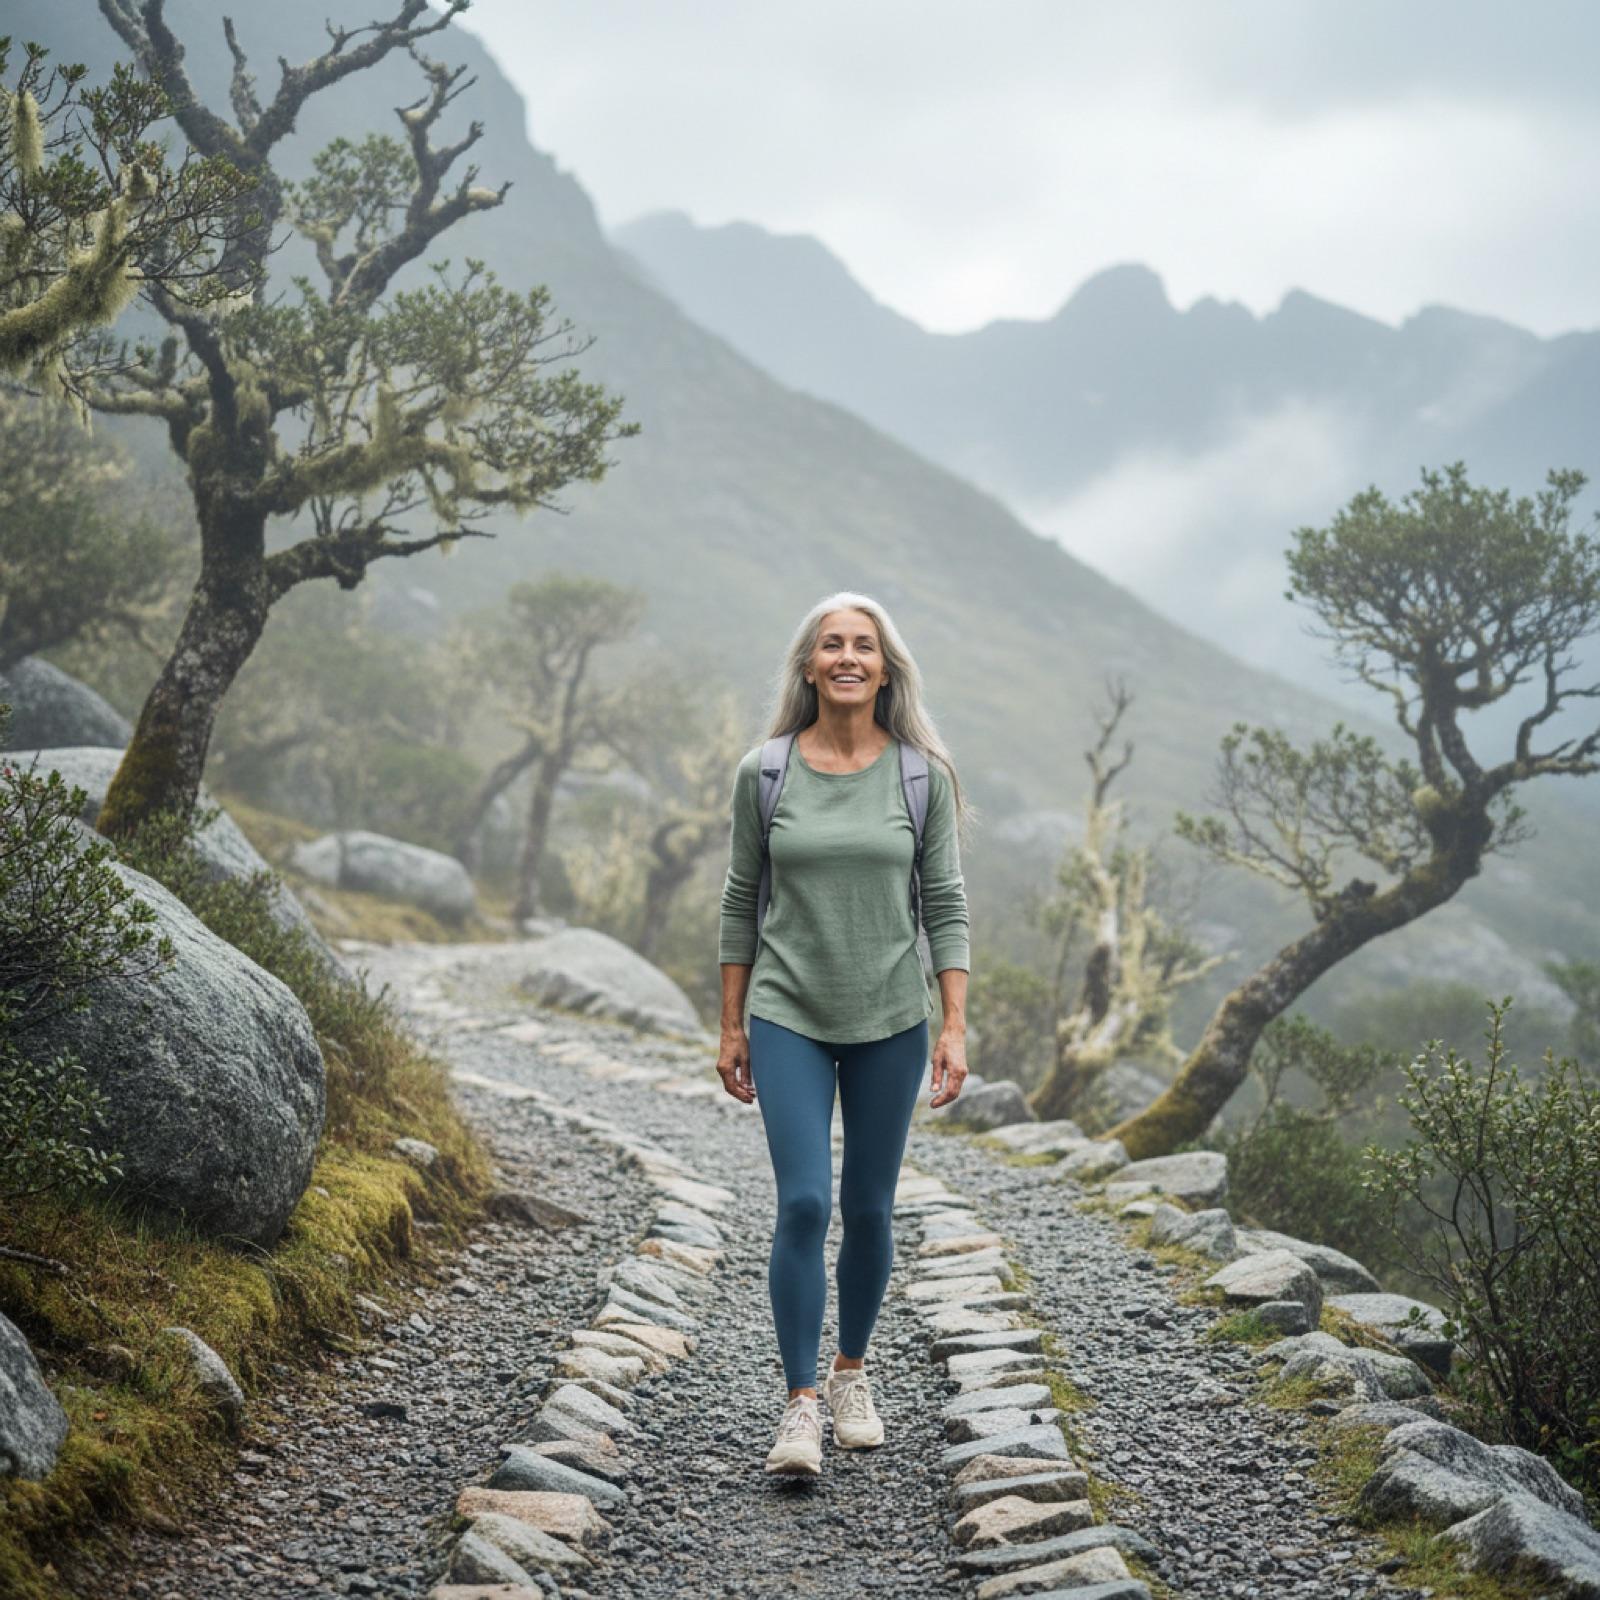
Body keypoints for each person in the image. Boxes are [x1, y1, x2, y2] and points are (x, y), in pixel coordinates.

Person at [716, 590, 972, 1477]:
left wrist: (954, 1027)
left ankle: (852, 1370)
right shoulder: (766, 771)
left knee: (867, 1209)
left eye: (865, 645)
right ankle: (799, 1406)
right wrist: (730, 1025)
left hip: (891, 1020)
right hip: (786, 1009)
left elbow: (944, 904)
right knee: (803, 1203)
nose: (849, 657)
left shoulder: (920, 775)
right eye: (833, 644)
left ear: (886, 666)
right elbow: (740, 899)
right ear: (809, 665)